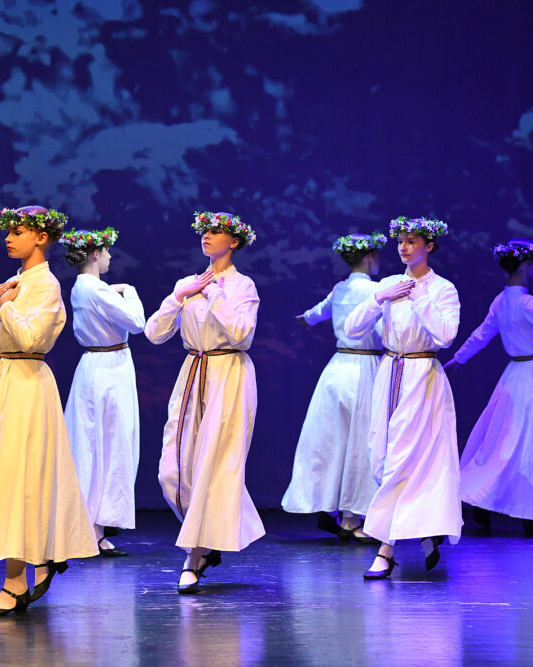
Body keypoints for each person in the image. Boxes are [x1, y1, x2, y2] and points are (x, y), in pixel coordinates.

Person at [0, 205, 98, 617]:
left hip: (26, 383)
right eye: (7, 232)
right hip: (3, 379)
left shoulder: (46, 285)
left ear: (41, 237)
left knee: (18, 479)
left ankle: (15, 580)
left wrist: (4, 305)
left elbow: (31, 337)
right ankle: (40, 556)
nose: (8, 238)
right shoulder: (16, 282)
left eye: (18, 231)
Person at [144, 211, 264, 593]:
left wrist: (214, 295)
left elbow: (242, 334)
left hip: (229, 375)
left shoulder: (242, 286)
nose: (206, 236)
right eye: (204, 230)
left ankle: (194, 556)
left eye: (215, 232)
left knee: (215, 466)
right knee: (172, 470)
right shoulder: (188, 282)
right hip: (194, 372)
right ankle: (207, 537)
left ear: (234, 241)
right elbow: (154, 333)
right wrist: (178, 296)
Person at [343, 216, 462, 579]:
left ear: (429, 246)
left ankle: (385, 549)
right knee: (381, 456)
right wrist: (380, 297)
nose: (404, 247)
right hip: (389, 374)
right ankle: (424, 530)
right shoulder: (388, 284)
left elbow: (446, 336)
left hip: (422, 378)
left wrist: (419, 297)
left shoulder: (442, 288)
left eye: (412, 241)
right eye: (400, 242)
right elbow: (352, 328)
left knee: (404, 459)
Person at [445, 238, 533, 535]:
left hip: (514, 376)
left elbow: (481, 335)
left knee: (505, 443)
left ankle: (484, 501)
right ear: (525, 265)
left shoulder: (502, 301)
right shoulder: (529, 303)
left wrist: (457, 360)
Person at [281, 233, 388, 545]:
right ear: (369, 257)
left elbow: (315, 314)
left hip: (337, 369)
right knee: (362, 444)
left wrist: (305, 318)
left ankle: (333, 508)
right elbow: (385, 327)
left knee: (333, 441)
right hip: (366, 368)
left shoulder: (341, 289)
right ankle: (352, 518)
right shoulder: (378, 290)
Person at [61, 227, 146, 557]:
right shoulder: (95, 289)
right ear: (95, 254)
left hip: (97, 367)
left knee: (93, 444)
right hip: (109, 370)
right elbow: (137, 322)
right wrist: (130, 291)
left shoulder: (82, 287)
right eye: (107, 251)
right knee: (109, 445)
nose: (110, 257)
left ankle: (91, 529)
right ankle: (93, 531)